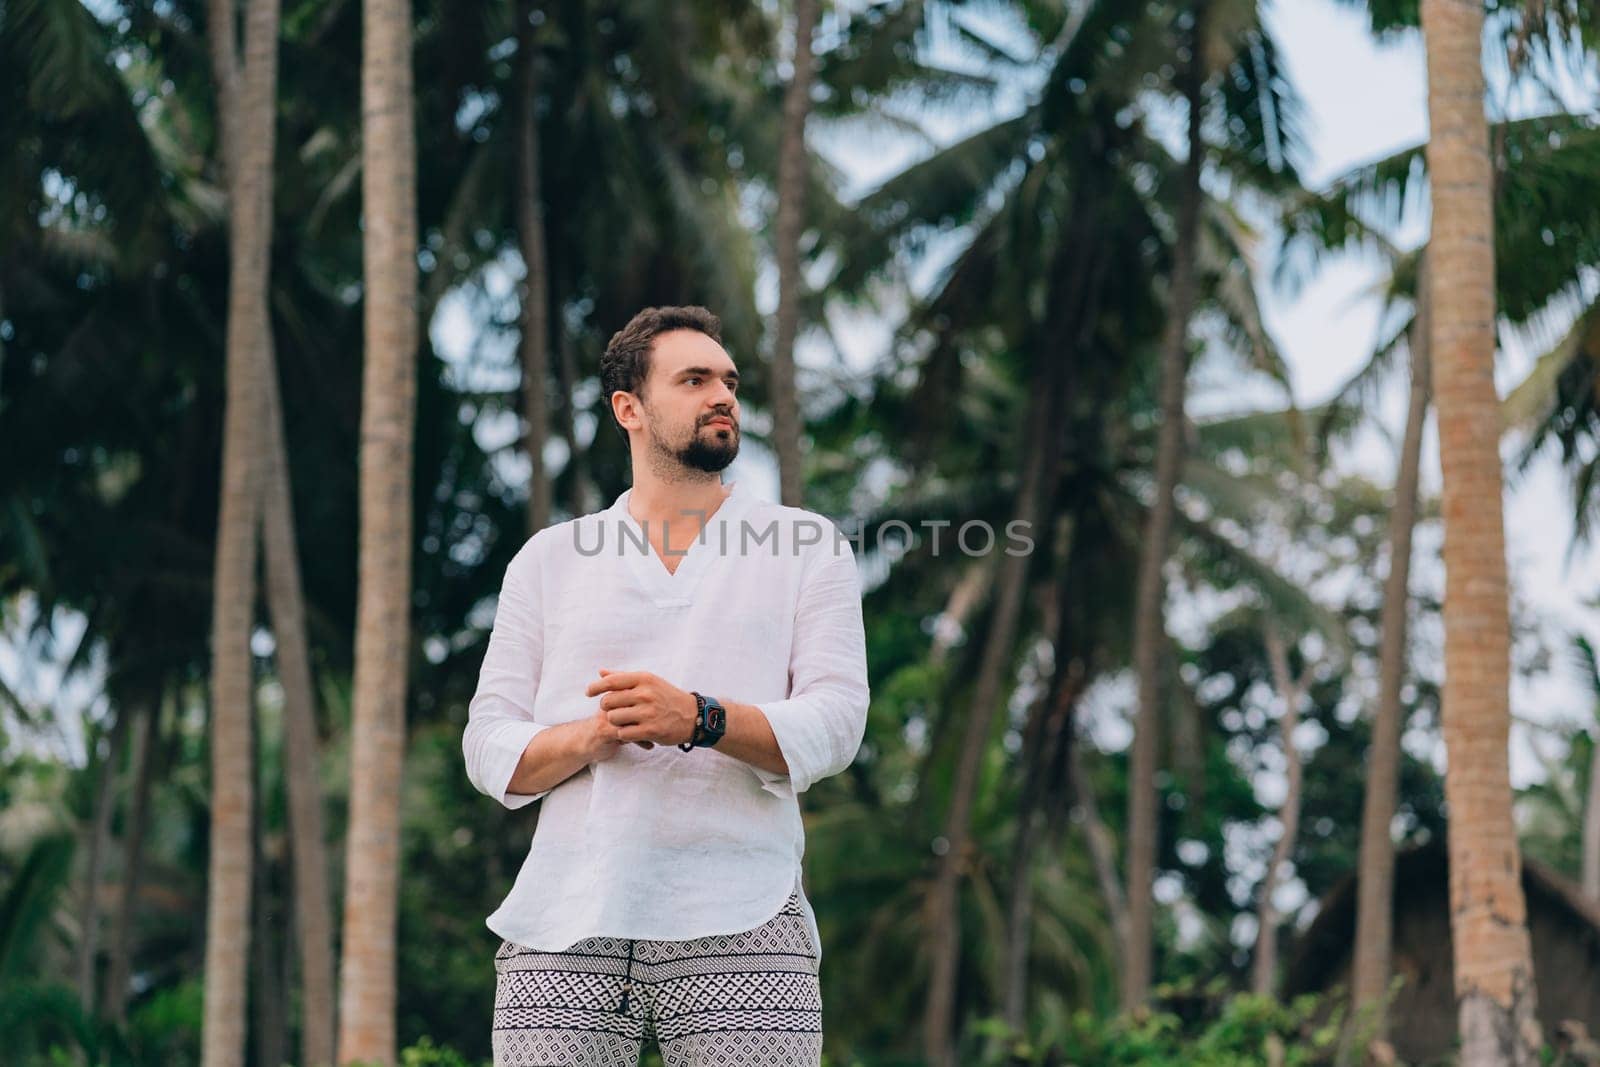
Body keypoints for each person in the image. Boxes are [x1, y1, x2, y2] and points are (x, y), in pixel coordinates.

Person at [462, 305, 871, 1066]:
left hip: (747, 906)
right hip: (565, 915)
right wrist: (593, 734)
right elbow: (487, 743)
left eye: (729, 380)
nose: (723, 395)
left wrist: (698, 718)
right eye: (694, 379)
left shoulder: (807, 546)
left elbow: (838, 720)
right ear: (630, 408)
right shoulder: (550, 560)